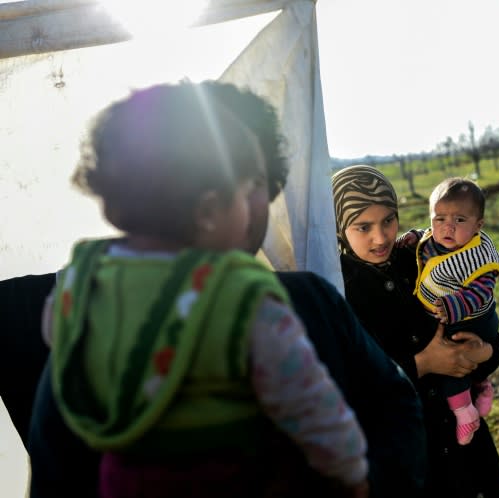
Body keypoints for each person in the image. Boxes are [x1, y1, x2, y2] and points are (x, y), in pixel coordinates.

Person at [15, 80, 426, 498]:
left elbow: (396, 408)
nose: (249, 203)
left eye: (257, 183)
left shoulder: (89, 305)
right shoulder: (269, 304)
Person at [331, 165, 499, 498]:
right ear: (339, 229)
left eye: (388, 220)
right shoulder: (338, 291)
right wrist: (423, 364)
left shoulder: (420, 257)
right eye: (362, 226)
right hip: (408, 457)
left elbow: (482, 325)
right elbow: (349, 386)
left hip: (464, 447)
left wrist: (484, 352)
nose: (380, 237)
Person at [397, 177, 499, 446]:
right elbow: (425, 236)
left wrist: (454, 306)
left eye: (459, 220)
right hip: (454, 318)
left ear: (478, 225)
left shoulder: (478, 256)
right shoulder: (436, 238)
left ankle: (464, 412)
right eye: (439, 218)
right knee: (458, 361)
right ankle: (482, 386)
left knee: (451, 363)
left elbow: (481, 292)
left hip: (476, 319)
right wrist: (413, 235)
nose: (447, 227)